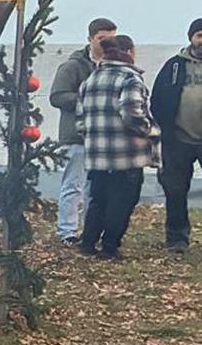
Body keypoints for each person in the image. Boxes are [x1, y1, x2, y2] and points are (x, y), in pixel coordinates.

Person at [77, 34, 160, 260]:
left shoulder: (90, 80)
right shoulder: (130, 79)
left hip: (97, 154)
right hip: (127, 154)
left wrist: (93, 140)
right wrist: (150, 130)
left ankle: (88, 243)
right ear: (129, 52)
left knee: (98, 199)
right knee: (122, 201)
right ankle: (110, 247)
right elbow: (131, 113)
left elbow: (80, 120)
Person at [49, 17, 118, 245]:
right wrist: (89, 100)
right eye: (102, 39)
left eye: (111, 39)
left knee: (96, 189)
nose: (106, 44)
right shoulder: (73, 66)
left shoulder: (114, 65)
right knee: (73, 185)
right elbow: (57, 96)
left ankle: (91, 230)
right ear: (90, 39)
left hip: (103, 137)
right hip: (76, 135)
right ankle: (67, 231)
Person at [149, 18, 202, 254]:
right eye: (200, 35)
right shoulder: (174, 66)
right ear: (191, 38)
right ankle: (177, 238)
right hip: (177, 139)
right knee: (175, 191)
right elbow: (157, 99)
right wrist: (165, 129)